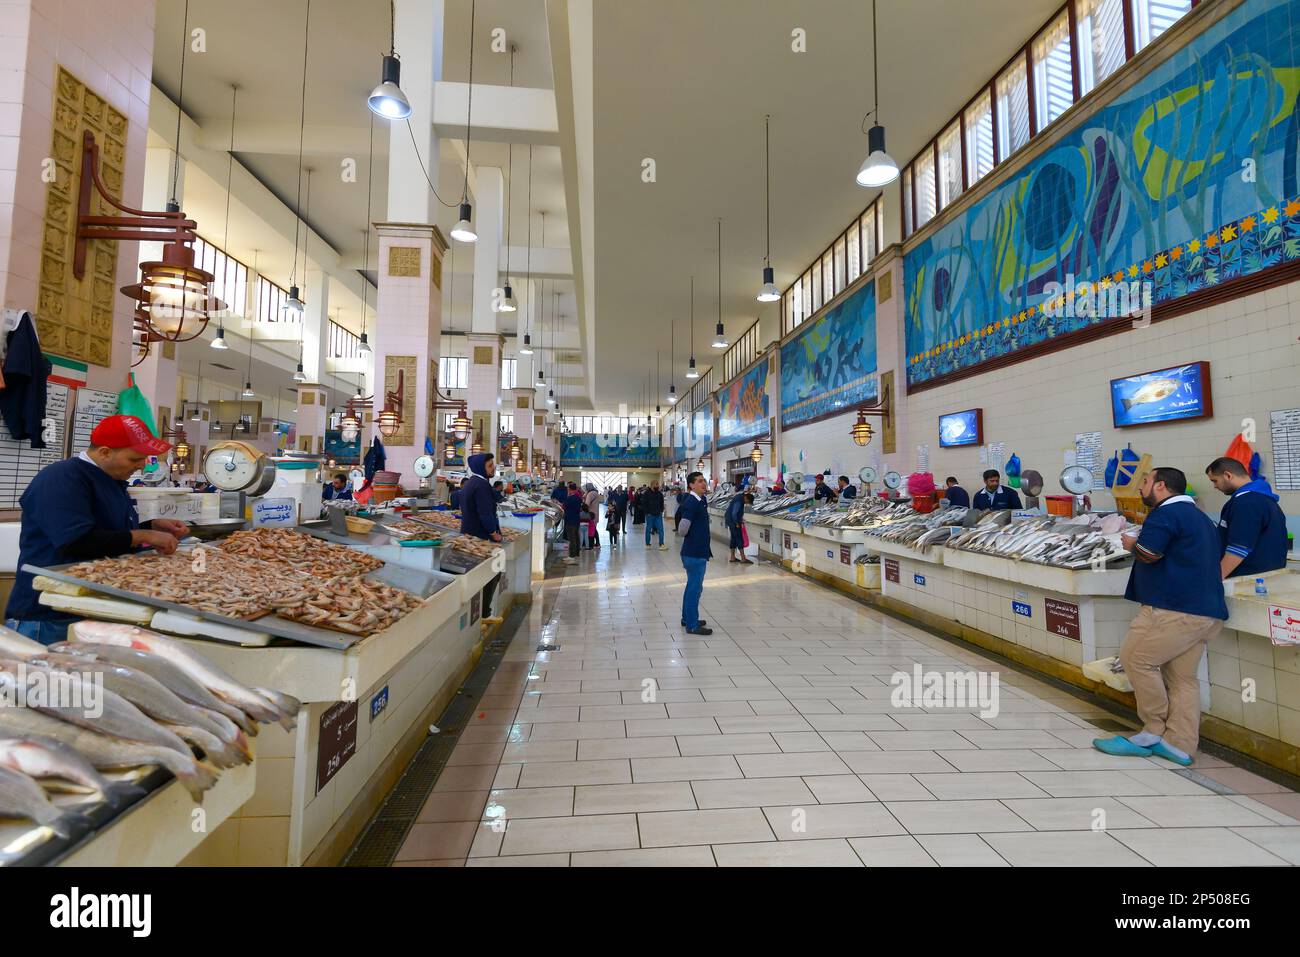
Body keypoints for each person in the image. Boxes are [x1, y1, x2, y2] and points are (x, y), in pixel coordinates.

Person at [5, 415, 188, 645]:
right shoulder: (62, 478)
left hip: (88, 608)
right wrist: (144, 536)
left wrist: (150, 525)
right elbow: (77, 540)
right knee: (45, 681)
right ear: (104, 452)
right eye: (134, 459)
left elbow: (106, 532)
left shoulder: (110, 478)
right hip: (48, 616)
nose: (142, 465)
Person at [1093, 467, 1228, 767]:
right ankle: (1180, 744)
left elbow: (1149, 553)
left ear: (1162, 486)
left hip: (1175, 610)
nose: (1140, 487)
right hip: (1203, 611)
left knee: (1138, 660)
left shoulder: (1166, 514)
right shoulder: (1202, 518)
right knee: (1182, 678)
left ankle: (1153, 730)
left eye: (1145, 482)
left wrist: (1129, 544)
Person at [1204, 457, 1288, 580]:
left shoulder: (1246, 502)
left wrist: (1215, 579)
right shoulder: (1263, 498)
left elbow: (1239, 548)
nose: (1214, 486)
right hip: (1265, 575)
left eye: (1215, 481)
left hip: (1248, 579)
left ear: (1228, 475)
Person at [461, 453, 504, 622]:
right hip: (480, 537)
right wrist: (493, 532)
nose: (493, 468)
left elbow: (493, 498)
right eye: (489, 466)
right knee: (493, 572)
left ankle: (482, 613)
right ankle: (484, 613)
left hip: (470, 534)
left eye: (493, 465)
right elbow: (485, 513)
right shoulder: (481, 485)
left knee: (490, 572)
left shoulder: (475, 483)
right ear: (481, 468)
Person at [676, 470, 713, 635]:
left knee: (692, 587)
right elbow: (682, 529)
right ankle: (692, 624)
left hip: (698, 551)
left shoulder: (700, 499)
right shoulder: (691, 502)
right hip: (694, 553)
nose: (703, 483)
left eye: (703, 480)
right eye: (699, 481)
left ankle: (687, 617)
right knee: (695, 589)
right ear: (691, 485)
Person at [725, 488, 752, 564]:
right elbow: (734, 513)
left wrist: (741, 518)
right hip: (733, 521)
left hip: (730, 520)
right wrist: (737, 522)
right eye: (748, 501)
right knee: (739, 538)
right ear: (746, 498)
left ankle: (732, 557)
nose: (747, 503)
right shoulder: (740, 500)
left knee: (733, 538)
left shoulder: (740, 497)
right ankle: (743, 558)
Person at [642, 480, 666, 549]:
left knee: (661, 529)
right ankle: (647, 544)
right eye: (656, 484)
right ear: (652, 485)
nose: (658, 485)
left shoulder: (659, 493)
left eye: (658, 484)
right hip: (650, 515)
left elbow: (661, 502)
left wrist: (661, 511)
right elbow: (644, 504)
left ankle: (661, 544)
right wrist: (647, 512)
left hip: (658, 514)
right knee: (648, 529)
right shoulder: (646, 493)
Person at [562, 482, 583, 564]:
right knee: (576, 537)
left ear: (570, 489)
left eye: (568, 488)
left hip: (571, 520)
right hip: (576, 519)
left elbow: (564, 506)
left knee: (572, 538)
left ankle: (571, 556)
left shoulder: (571, 498)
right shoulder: (578, 497)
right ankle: (576, 553)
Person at [583, 483, 601, 549]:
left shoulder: (590, 494)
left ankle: (593, 543)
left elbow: (586, 504)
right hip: (595, 513)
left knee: (592, 529)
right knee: (594, 528)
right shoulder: (596, 493)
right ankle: (597, 543)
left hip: (590, 514)